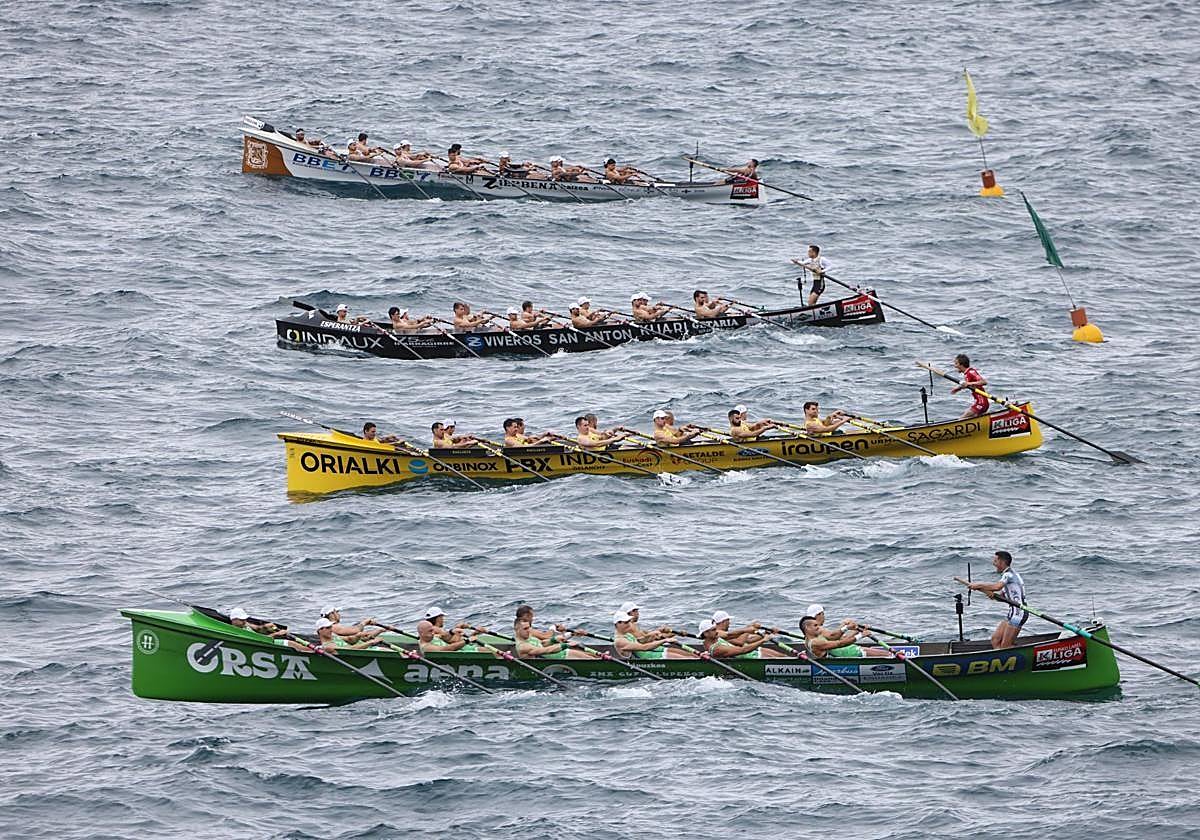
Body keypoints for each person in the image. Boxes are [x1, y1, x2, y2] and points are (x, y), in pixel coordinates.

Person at [965, 550, 1027, 649]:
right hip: (1012, 612)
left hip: (1019, 613)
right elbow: (1003, 597)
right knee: (995, 640)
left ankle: (1018, 655)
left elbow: (997, 587)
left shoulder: (1009, 575)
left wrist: (978, 585)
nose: (993, 564)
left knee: (1005, 646)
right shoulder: (1009, 576)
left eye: (995, 561)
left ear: (1002, 562)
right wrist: (993, 596)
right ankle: (1002, 661)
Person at [612, 611, 697, 660]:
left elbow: (642, 641)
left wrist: (657, 633)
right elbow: (644, 647)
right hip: (649, 660)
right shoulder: (620, 641)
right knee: (689, 659)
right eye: (626, 622)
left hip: (652, 654)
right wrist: (664, 640)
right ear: (618, 624)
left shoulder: (627, 634)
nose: (629, 624)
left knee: (690, 656)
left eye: (629, 622)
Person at [799, 614, 890, 658]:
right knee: (888, 655)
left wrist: (854, 630)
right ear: (807, 628)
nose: (819, 628)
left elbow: (834, 637)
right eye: (815, 626)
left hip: (849, 651)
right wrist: (860, 636)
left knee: (887, 654)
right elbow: (840, 644)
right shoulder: (815, 642)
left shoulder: (810, 638)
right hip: (851, 654)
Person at [699, 618, 788, 658]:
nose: (717, 631)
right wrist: (763, 640)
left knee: (784, 656)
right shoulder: (716, 649)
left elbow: (730, 634)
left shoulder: (714, 636)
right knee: (784, 659)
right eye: (714, 629)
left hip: (752, 654)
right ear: (706, 633)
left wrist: (748, 629)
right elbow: (743, 650)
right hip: (750, 657)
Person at [514, 617, 597, 660]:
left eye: (529, 628)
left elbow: (542, 644)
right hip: (561, 658)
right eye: (525, 629)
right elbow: (544, 650)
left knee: (594, 656)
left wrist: (554, 640)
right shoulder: (523, 646)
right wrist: (565, 645)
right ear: (516, 629)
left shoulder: (528, 636)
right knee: (592, 659)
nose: (528, 631)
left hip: (562, 654)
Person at [417, 607, 485, 654]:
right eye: (442, 617)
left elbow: (448, 638)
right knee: (486, 651)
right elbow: (450, 646)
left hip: (457, 651)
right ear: (438, 618)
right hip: (457, 653)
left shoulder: (432, 634)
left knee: (485, 650)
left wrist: (453, 631)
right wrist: (468, 639)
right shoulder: (427, 646)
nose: (433, 633)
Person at [950, 354, 990, 419]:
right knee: (972, 418)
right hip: (980, 403)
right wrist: (958, 389)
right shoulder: (966, 374)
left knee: (961, 419)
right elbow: (969, 385)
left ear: (961, 364)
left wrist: (968, 383)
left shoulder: (971, 372)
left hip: (981, 403)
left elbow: (983, 382)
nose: (955, 366)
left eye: (956, 364)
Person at [320, 606, 385, 642]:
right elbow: (355, 631)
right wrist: (364, 622)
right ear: (332, 615)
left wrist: (380, 630)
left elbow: (361, 638)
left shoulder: (334, 627)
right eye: (337, 612)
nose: (339, 614)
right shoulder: (333, 627)